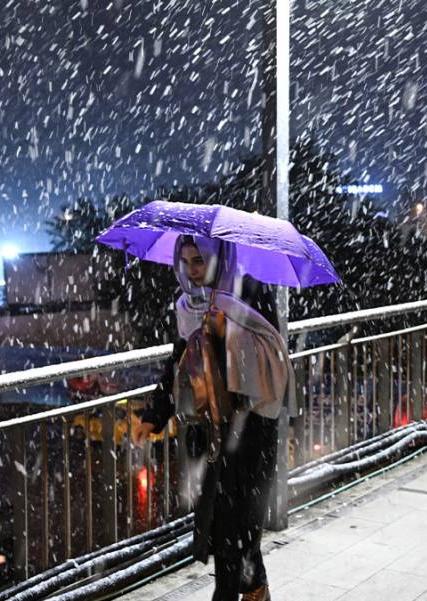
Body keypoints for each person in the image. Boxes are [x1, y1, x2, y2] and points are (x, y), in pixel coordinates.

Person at [133, 235, 291, 601]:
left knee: (236, 531)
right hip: (213, 435)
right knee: (232, 531)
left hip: (252, 431)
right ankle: (256, 593)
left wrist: (228, 335)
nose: (193, 269)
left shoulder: (250, 291)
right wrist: (154, 415)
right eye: (186, 261)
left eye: (200, 259)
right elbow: (179, 365)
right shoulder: (189, 306)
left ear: (219, 256)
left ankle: (234, 593)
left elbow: (273, 356)